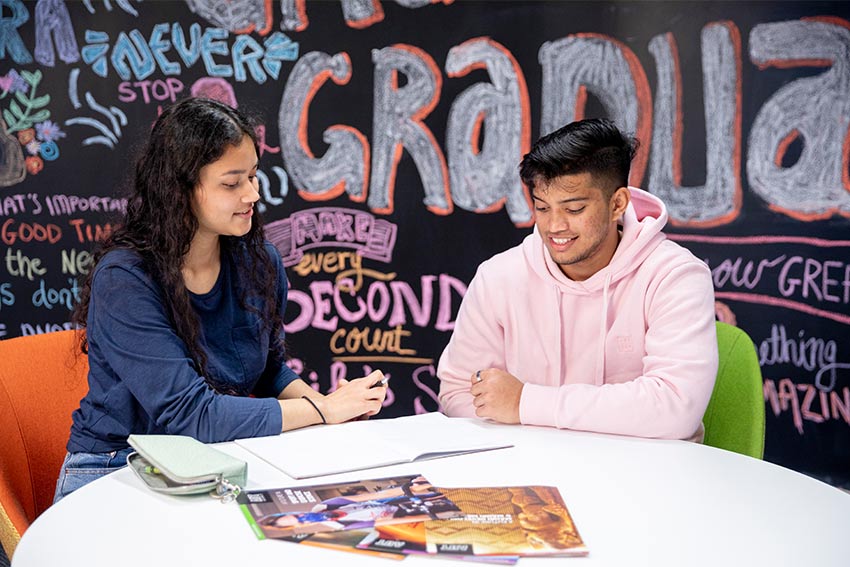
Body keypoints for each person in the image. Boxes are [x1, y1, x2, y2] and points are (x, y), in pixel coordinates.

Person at [54, 98, 387, 502]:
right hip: (115, 466)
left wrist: (332, 408)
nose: (252, 194)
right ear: (179, 190)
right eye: (232, 183)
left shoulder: (260, 261)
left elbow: (269, 371)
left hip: (214, 460)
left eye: (253, 176)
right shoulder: (126, 279)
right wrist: (324, 411)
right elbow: (191, 415)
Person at [437, 118, 717, 440]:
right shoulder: (498, 277)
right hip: (531, 473)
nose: (554, 226)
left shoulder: (675, 276)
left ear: (617, 204)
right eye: (542, 208)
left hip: (643, 478)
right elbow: (458, 390)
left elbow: (674, 407)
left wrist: (524, 403)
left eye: (574, 209)